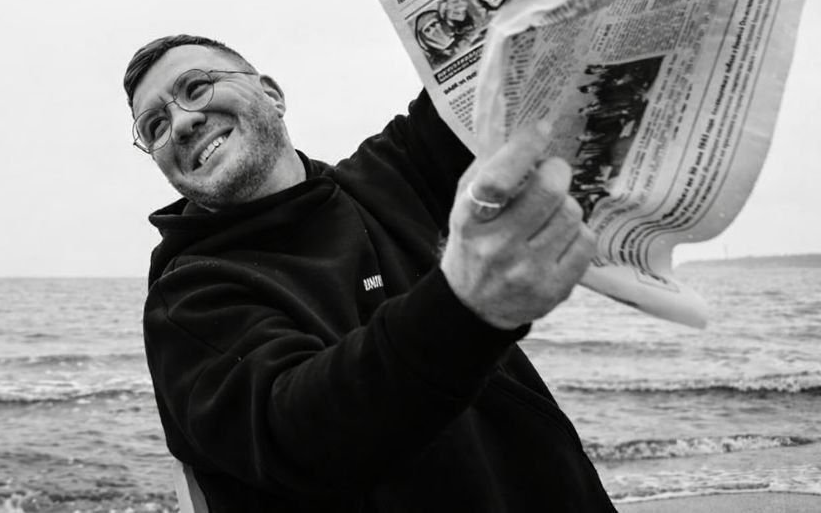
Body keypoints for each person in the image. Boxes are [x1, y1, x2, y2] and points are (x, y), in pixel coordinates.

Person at [125, 34, 613, 512]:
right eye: (155, 126)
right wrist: (463, 307)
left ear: (272, 95)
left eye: (196, 87)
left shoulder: (393, 172)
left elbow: (509, 71)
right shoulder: (187, 300)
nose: (182, 123)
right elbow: (303, 436)